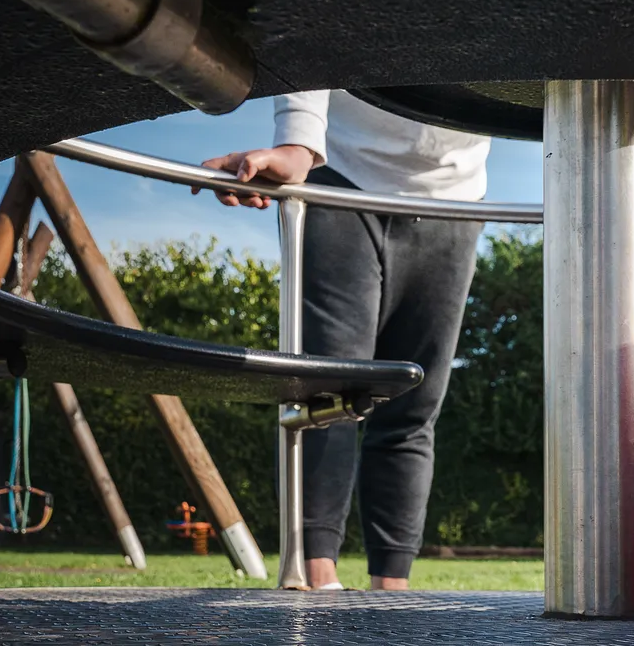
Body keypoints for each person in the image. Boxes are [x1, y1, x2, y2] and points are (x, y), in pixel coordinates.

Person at [199, 91, 489, 589]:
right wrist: (297, 143)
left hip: (455, 196)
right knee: (327, 393)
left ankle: (392, 589)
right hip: (342, 173)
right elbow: (311, 21)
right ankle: (315, 579)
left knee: (414, 407)